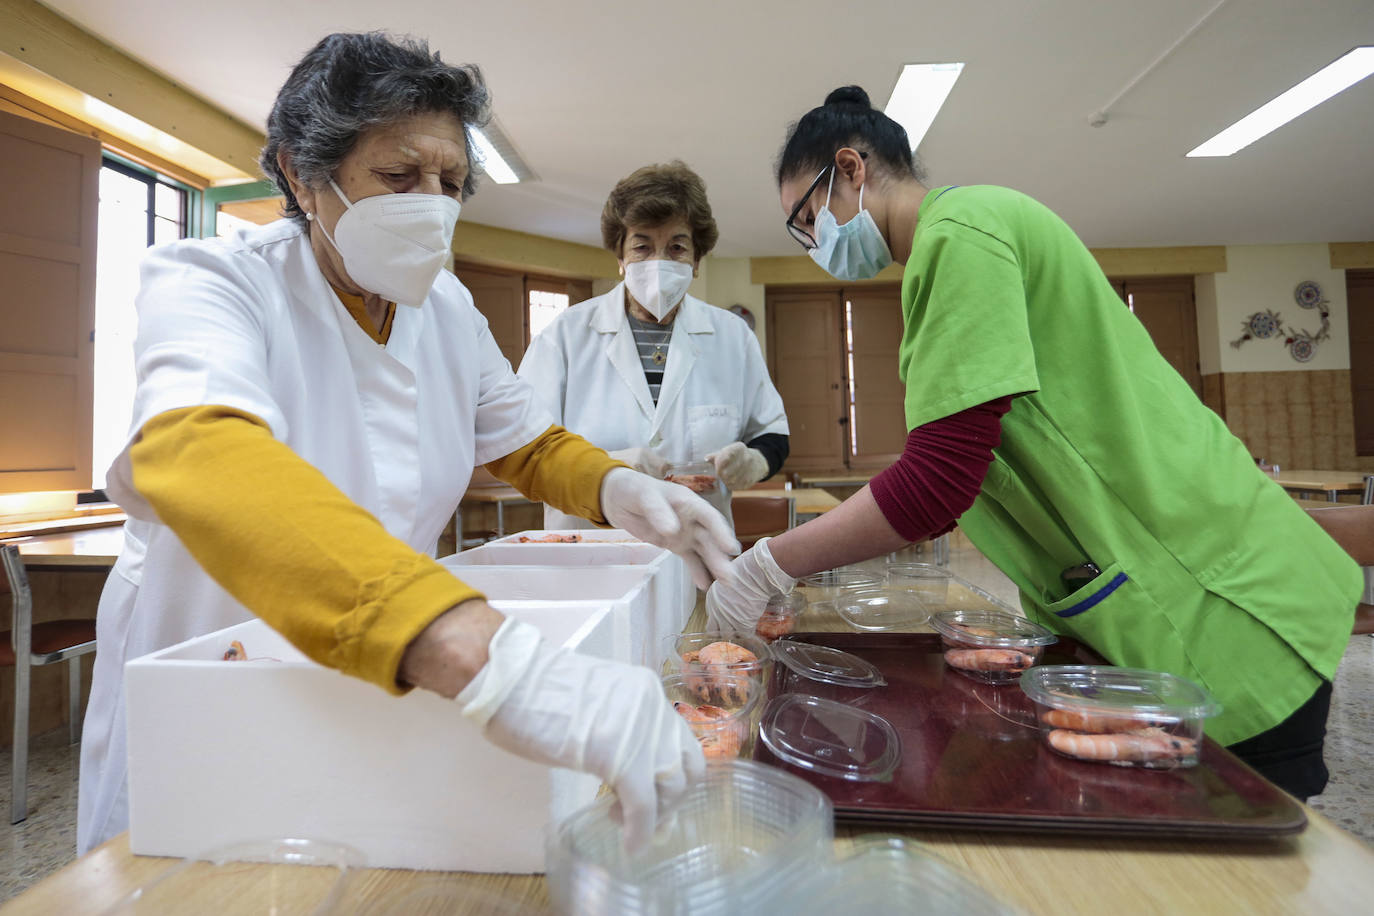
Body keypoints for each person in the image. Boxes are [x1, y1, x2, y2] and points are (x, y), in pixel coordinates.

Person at [77, 33, 735, 853]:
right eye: (398, 176)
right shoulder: (215, 280)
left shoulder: (447, 308)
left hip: (386, 662)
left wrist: (622, 490)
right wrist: (495, 660)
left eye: (451, 183)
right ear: (300, 173)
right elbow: (198, 451)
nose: (432, 202)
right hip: (215, 671)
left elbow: (524, 439)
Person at [706, 85, 1361, 799]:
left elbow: (937, 482)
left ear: (852, 168)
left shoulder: (965, 234)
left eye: (808, 218)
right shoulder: (955, 247)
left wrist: (768, 564)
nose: (813, 247)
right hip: (1174, 583)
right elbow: (976, 470)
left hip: (1220, 607)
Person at [517, 162, 789, 528]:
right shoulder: (564, 336)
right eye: (642, 247)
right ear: (620, 259)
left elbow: (772, 434)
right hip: (595, 555)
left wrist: (754, 462)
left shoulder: (732, 337)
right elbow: (523, 450)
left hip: (697, 550)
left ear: (696, 262)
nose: (659, 263)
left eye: (677, 247)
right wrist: (605, 470)